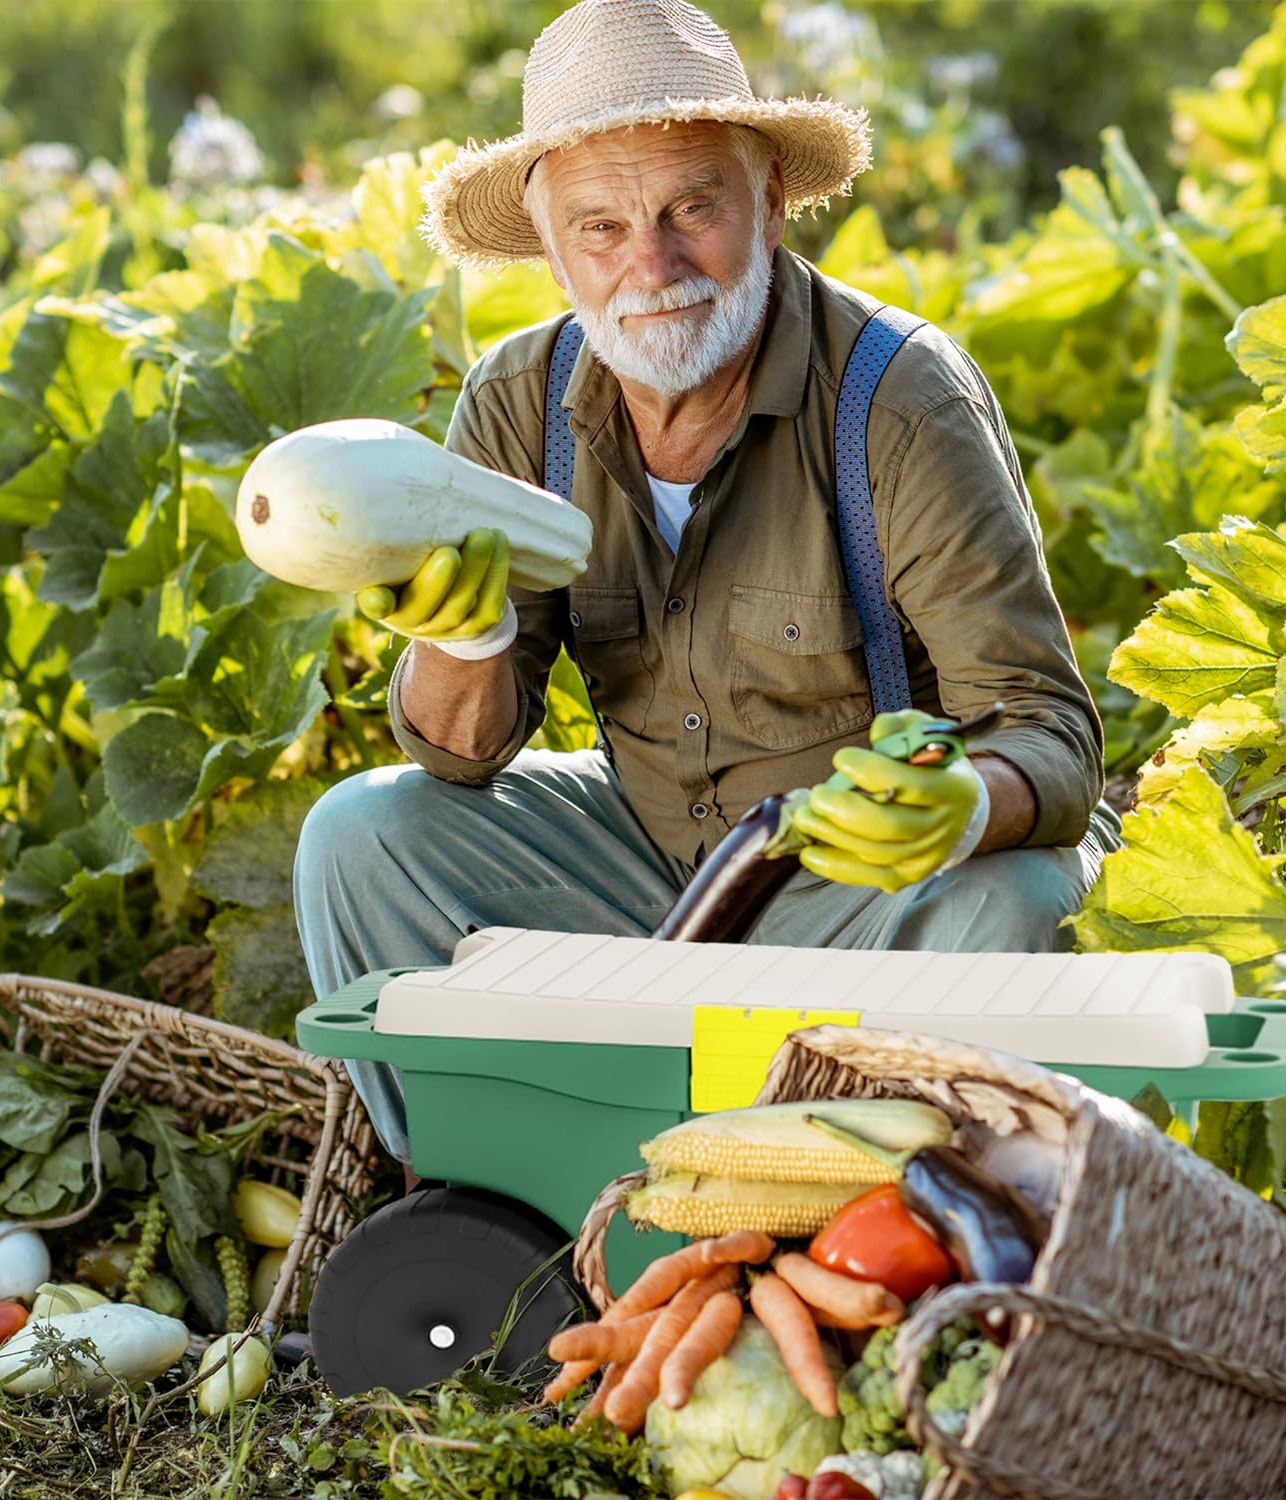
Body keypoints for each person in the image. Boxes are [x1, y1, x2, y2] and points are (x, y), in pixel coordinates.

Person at [294, 0, 1121, 1161]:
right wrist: (465, 638)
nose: (654, 264)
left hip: (859, 892)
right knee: (361, 836)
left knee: (1016, 902)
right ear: (551, 245)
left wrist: (964, 803)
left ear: (772, 200)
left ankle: (882, 1209)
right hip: (648, 875)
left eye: (693, 208)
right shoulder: (519, 403)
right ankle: (508, 1202)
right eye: (601, 226)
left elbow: (1053, 733)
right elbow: (458, 755)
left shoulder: (897, 399)